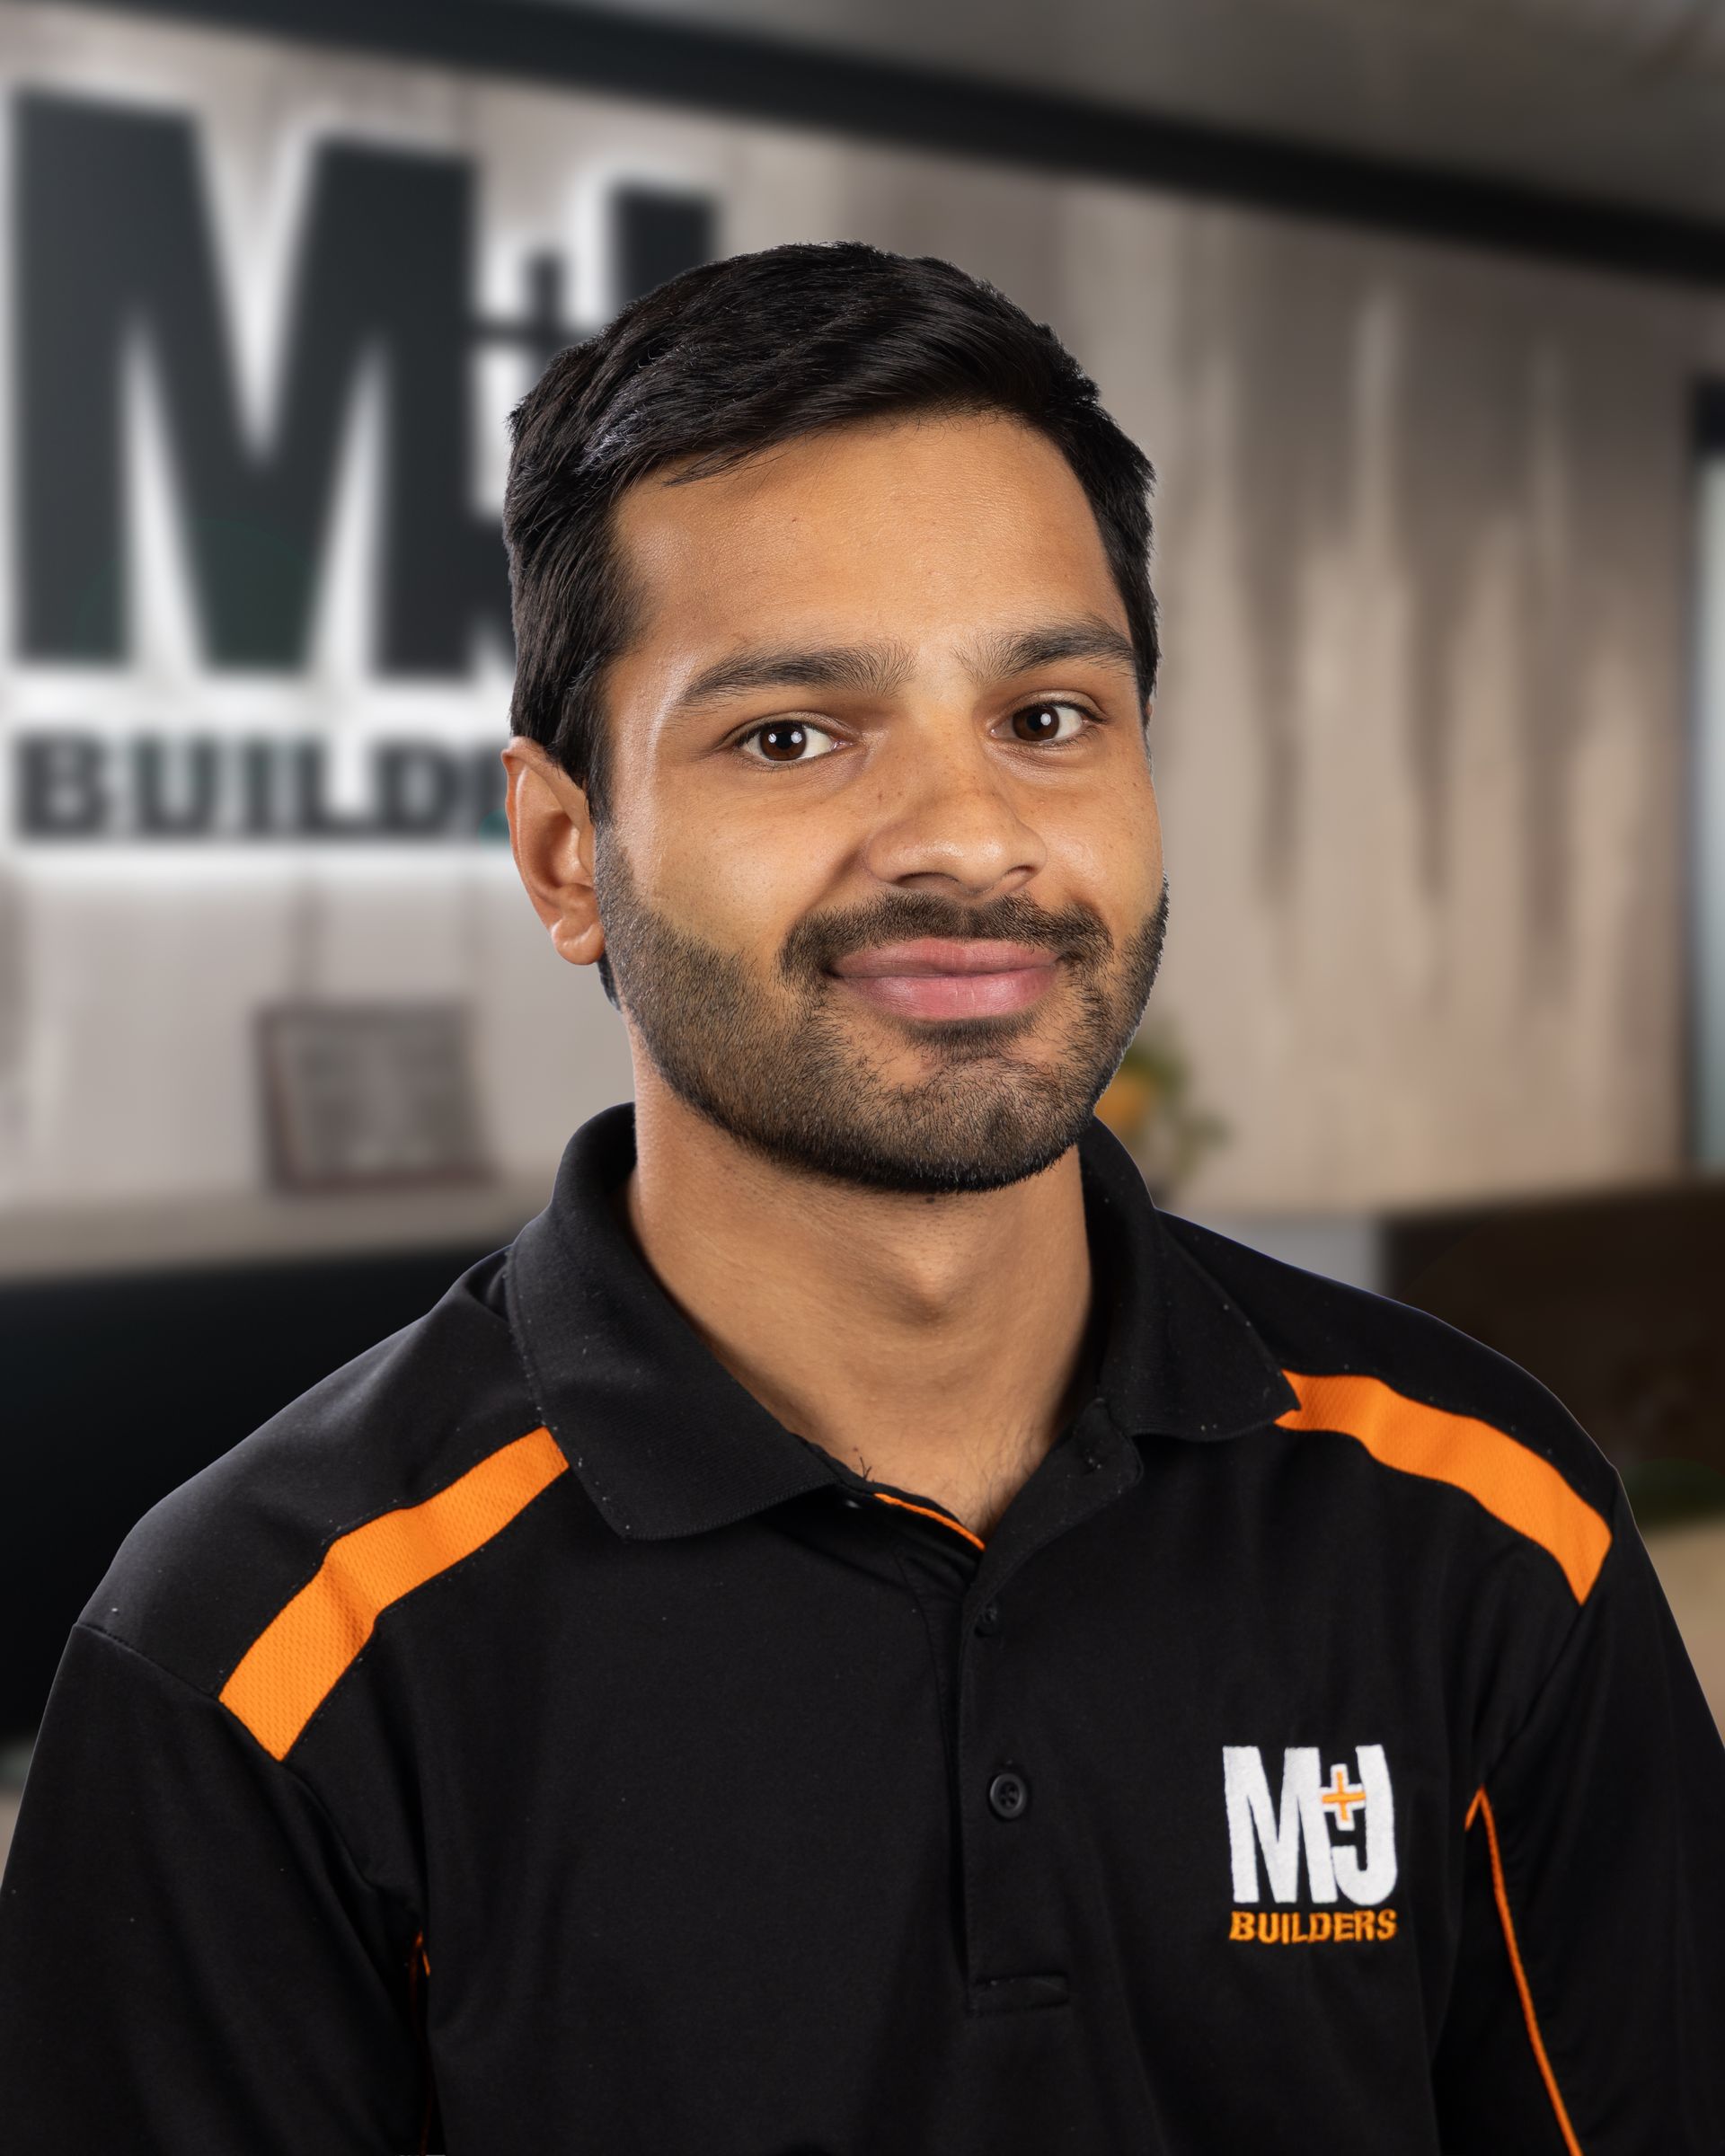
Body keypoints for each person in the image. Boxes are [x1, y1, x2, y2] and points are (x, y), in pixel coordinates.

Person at [1, 242, 1721, 2155]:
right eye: (792, 735)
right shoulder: (261, 1655)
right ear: (570, 854)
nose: (969, 838)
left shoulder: (1485, 1528)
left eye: (1049, 716)